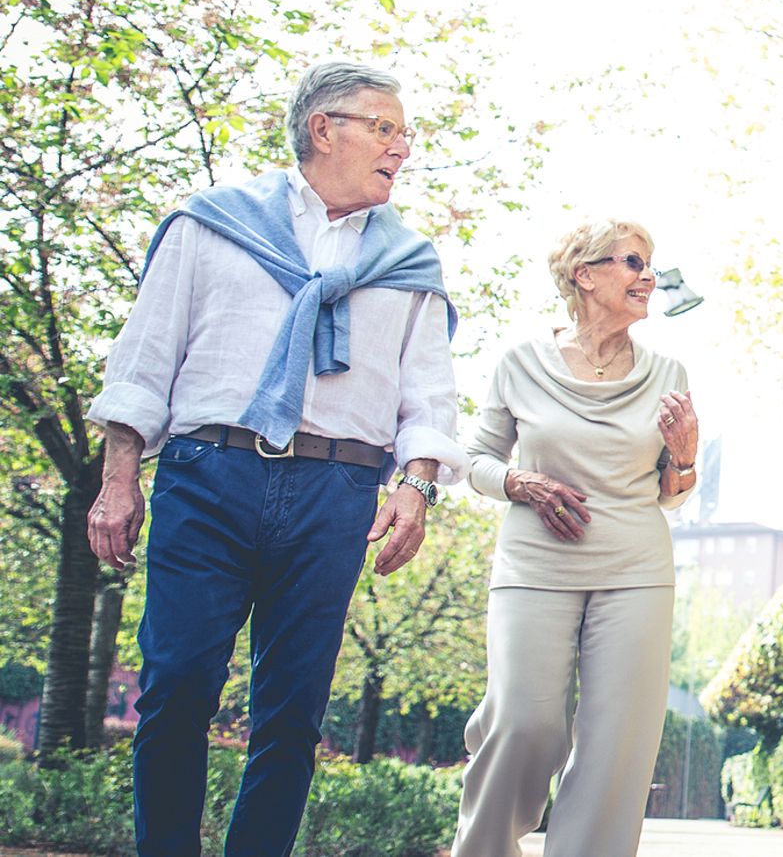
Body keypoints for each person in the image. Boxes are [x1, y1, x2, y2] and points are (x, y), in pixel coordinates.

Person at [85, 61, 462, 857]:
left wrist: (417, 485)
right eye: (385, 128)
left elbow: (429, 396)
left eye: (404, 132)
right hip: (208, 474)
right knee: (177, 686)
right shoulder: (210, 224)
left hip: (337, 488)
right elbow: (146, 358)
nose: (403, 147)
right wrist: (119, 479)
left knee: (293, 712)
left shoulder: (410, 264)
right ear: (325, 129)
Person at [451, 217, 699, 857]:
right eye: (631, 262)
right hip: (535, 566)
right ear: (584, 276)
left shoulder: (668, 371)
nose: (647, 276)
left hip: (636, 570)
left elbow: (671, 493)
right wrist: (520, 483)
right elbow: (474, 459)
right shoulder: (521, 362)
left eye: (648, 263)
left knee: (619, 742)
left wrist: (686, 457)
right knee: (523, 724)